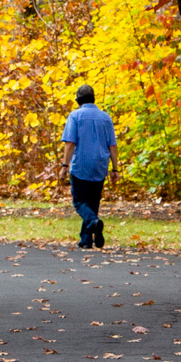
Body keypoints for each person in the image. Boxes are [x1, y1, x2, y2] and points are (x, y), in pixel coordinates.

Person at [61, 83, 117, 250]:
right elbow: (112, 145)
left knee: (79, 202)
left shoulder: (75, 116)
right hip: (100, 165)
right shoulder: (105, 118)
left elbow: (70, 143)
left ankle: (93, 222)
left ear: (78, 100)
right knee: (92, 202)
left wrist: (65, 164)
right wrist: (115, 169)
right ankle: (86, 240)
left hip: (81, 165)